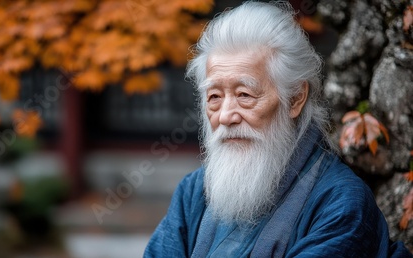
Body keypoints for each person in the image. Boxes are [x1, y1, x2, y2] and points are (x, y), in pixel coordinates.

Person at [144, 1, 412, 257]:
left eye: (244, 95)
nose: (225, 116)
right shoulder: (192, 193)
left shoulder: (341, 203)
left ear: (295, 99)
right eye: (214, 97)